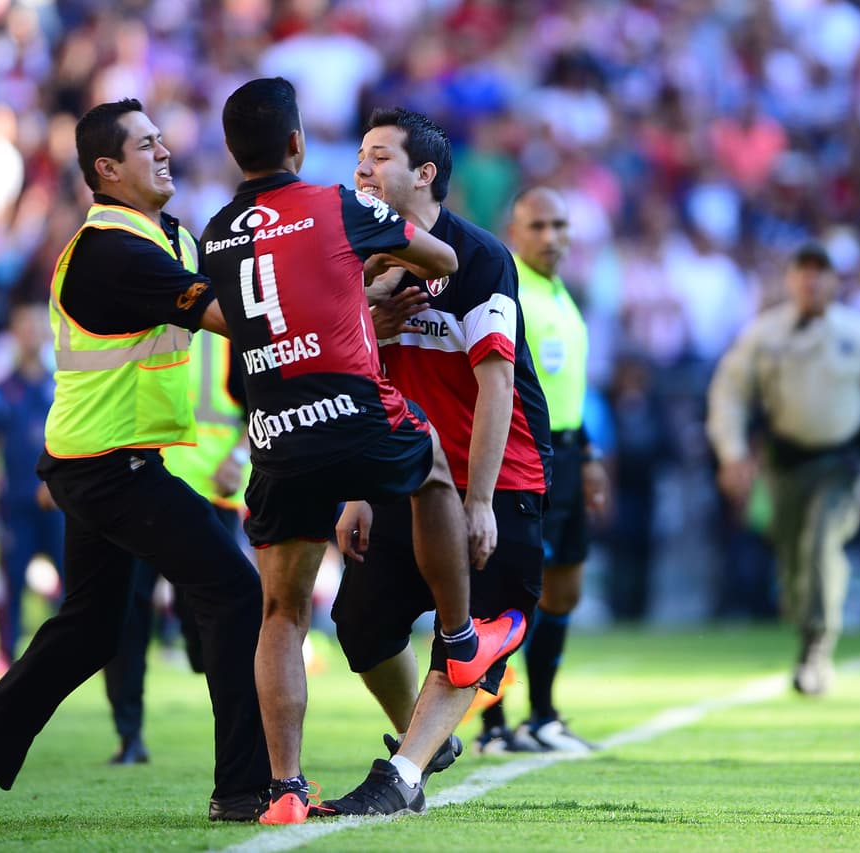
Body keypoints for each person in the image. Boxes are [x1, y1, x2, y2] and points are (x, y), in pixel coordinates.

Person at [0, 98, 272, 824]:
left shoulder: (172, 238)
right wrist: (345, 306)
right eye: (145, 146)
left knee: (91, 626)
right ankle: (243, 788)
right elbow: (239, 317)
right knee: (232, 588)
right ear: (107, 169)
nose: (164, 152)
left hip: (102, 460)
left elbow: (245, 310)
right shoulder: (111, 249)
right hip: (110, 466)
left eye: (164, 141)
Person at [201, 77, 525, 825]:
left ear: (230, 149)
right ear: (296, 143)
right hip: (348, 406)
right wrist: (372, 282)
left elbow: (259, 316)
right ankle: (459, 634)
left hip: (273, 426)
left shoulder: (217, 232)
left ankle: (284, 789)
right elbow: (443, 259)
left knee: (281, 611)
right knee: (435, 470)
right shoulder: (340, 206)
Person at [321, 107, 554, 809]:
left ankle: (402, 774)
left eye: (380, 156)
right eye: (360, 154)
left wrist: (480, 499)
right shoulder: (357, 258)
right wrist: (359, 492)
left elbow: (498, 382)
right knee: (359, 624)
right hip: (405, 476)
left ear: (424, 174)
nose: (363, 167)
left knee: (473, 632)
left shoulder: (479, 257)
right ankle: (428, 739)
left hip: (496, 475)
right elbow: (365, 385)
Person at [707, 243, 860, 695]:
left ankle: (816, 648)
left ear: (834, 282)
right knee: (793, 564)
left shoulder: (858, 335)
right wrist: (732, 452)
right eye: (803, 271)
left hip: (841, 464)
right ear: (790, 279)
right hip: (784, 465)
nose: (811, 280)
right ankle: (807, 627)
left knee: (822, 545)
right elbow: (730, 392)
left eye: (821, 272)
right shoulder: (765, 334)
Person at [475, 186, 609, 754]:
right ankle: (493, 724)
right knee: (507, 593)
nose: (551, 238)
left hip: (572, 453)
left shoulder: (560, 292)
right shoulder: (511, 291)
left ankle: (543, 716)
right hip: (526, 453)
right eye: (538, 227)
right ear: (514, 231)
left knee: (564, 590)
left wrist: (591, 454)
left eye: (560, 226)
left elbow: (566, 385)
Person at [103, 330, 247, 765]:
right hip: (145, 488)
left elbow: (262, 399)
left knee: (208, 621)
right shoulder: (145, 318)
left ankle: (230, 720)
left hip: (209, 491)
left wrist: (238, 457)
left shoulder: (227, 326)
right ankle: (129, 736)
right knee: (128, 611)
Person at [0, 302, 65, 679]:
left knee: (71, 580)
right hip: (15, 500)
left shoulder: (61, 386)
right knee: (12, 579)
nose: (31, 334)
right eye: (24, 327)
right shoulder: (0, 390)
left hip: (58, 500)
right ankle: (6, 653)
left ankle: (67, 654)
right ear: (13, 334)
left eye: (36, 327)